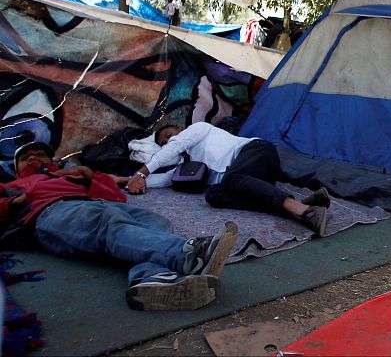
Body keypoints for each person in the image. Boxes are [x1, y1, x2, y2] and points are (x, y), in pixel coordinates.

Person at [1, 141, 239, 311]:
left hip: (100, 204)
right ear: (16, 168)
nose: (34, 158)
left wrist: (93, 176)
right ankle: (188, 254)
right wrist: (17, 201)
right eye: (26, 157)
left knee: (155, 221)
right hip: (52, 212)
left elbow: (115, 181)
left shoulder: (72, 175)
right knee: (107, 223)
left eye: (40, 154)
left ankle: (151, 280)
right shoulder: (14, 185)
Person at [124, 122, 330, 236]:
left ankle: (303, 211)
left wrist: (142, 172)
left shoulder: (198, 129)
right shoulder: (187, 165)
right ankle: (298, 206)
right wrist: (126, 180)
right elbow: (167, 179)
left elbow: (173, 147)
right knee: (214, 194)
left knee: (232, 178)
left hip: (257, 153)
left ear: (179, 128)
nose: (170, 140)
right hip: (255, 183)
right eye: (165, 141)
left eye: (169, 134)